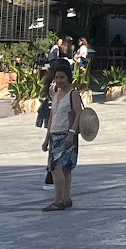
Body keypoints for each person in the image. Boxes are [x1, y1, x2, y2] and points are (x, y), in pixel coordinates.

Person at [42, 63, 83, 211]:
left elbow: (78, 113)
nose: (59, 80)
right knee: (64, 169)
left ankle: (58, 200)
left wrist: (71, 134)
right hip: (55, 133)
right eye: (57, 77)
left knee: (57, 168)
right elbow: (52, 116)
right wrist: (47, 138)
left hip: (66, 134)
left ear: (68, 78)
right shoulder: (55, 94)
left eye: (62, 77)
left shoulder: (73, 94)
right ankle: (66, 198)